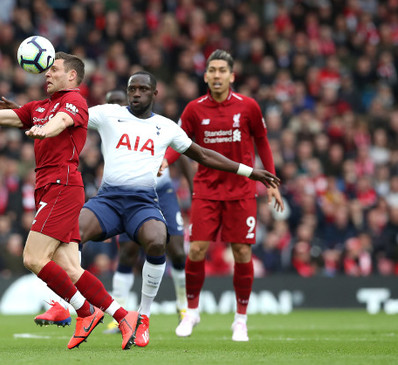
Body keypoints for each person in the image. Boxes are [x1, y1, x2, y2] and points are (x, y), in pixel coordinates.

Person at [30, 71, 279, 348]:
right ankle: (65, 304)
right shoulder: (108, 114)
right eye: (131, 89)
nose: (136, 93)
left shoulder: (166, 127)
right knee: (69, 233)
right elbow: (66, 115)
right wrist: (29, 115)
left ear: (154, 94)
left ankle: (143, 316)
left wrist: (250, 171)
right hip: (108, 200)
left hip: (143, 202)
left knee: (158, 241)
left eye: (142, 89)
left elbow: (203, 155)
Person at [0, 52, 141, 351]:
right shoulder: (38, 107)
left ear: (72, 76)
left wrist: (44, 129)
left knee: (32, 258)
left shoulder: (74, 102)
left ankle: (84, 312)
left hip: (62, 186)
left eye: (54, 69)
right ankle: (124, 315)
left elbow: (61, 123)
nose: (47, 74)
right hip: (49, 187)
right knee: (71, 268)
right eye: (46, 70)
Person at [166, 50, 285, 342]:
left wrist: (270, 180)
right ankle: (192, 312)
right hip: (206, 190)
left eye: (222, 70)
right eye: (212, 70)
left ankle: (240, 320)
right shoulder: (193, 109)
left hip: (242, 191)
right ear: (205, 76)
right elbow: (178, 143)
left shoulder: (249, 107)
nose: (217, 75)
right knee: (197, 250)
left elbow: (262, 142)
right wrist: (162, 161)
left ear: (232, 75)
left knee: (242, 253)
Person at [102, 89, 193, 335]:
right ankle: (118, 313)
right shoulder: (109, 127)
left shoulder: (156, 126)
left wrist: (194, 193)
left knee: (175, 250)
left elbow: (184, 154)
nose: (115, 109)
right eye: (111, 104)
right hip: (129, 197)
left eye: (118, 104)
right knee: (128, 252)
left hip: (162, 194)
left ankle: (183, 307)